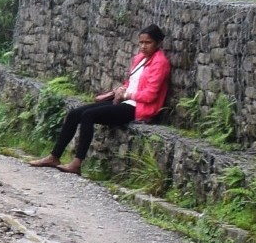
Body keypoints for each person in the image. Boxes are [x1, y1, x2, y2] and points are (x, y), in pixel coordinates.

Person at [31, 25, 169, 173]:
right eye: (141, 42)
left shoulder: (160, 63)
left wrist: (127, 95)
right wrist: (122, 89)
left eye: (147, 43)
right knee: (74, 113)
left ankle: (77, 163)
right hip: (125, 101)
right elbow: (131, 83)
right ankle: (54, 156)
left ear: (158, 43)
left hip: (138, 108)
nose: (143, 46)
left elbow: (150, 95)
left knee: (88, 115)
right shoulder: (140, 59)